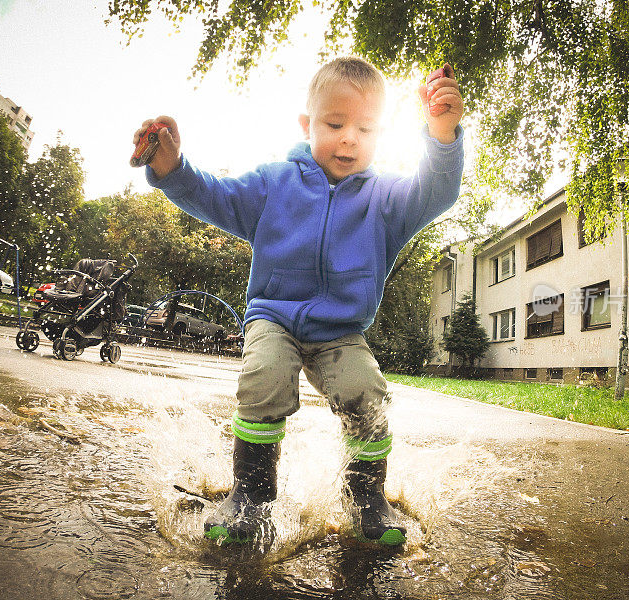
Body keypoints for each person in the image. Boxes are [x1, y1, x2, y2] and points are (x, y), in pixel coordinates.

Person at [134, 57, 465, 546]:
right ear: (307, 125)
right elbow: (214, 196)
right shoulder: (275, 184)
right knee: (264, 376)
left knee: (365, 393)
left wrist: (441, 133)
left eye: (366, 129)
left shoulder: (387, 200)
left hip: (342, 330)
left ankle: (367, 497)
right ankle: (252, 493)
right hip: (275, 316)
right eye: (335, 124)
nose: (350, 137)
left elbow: (436, 191)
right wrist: (171, 168)